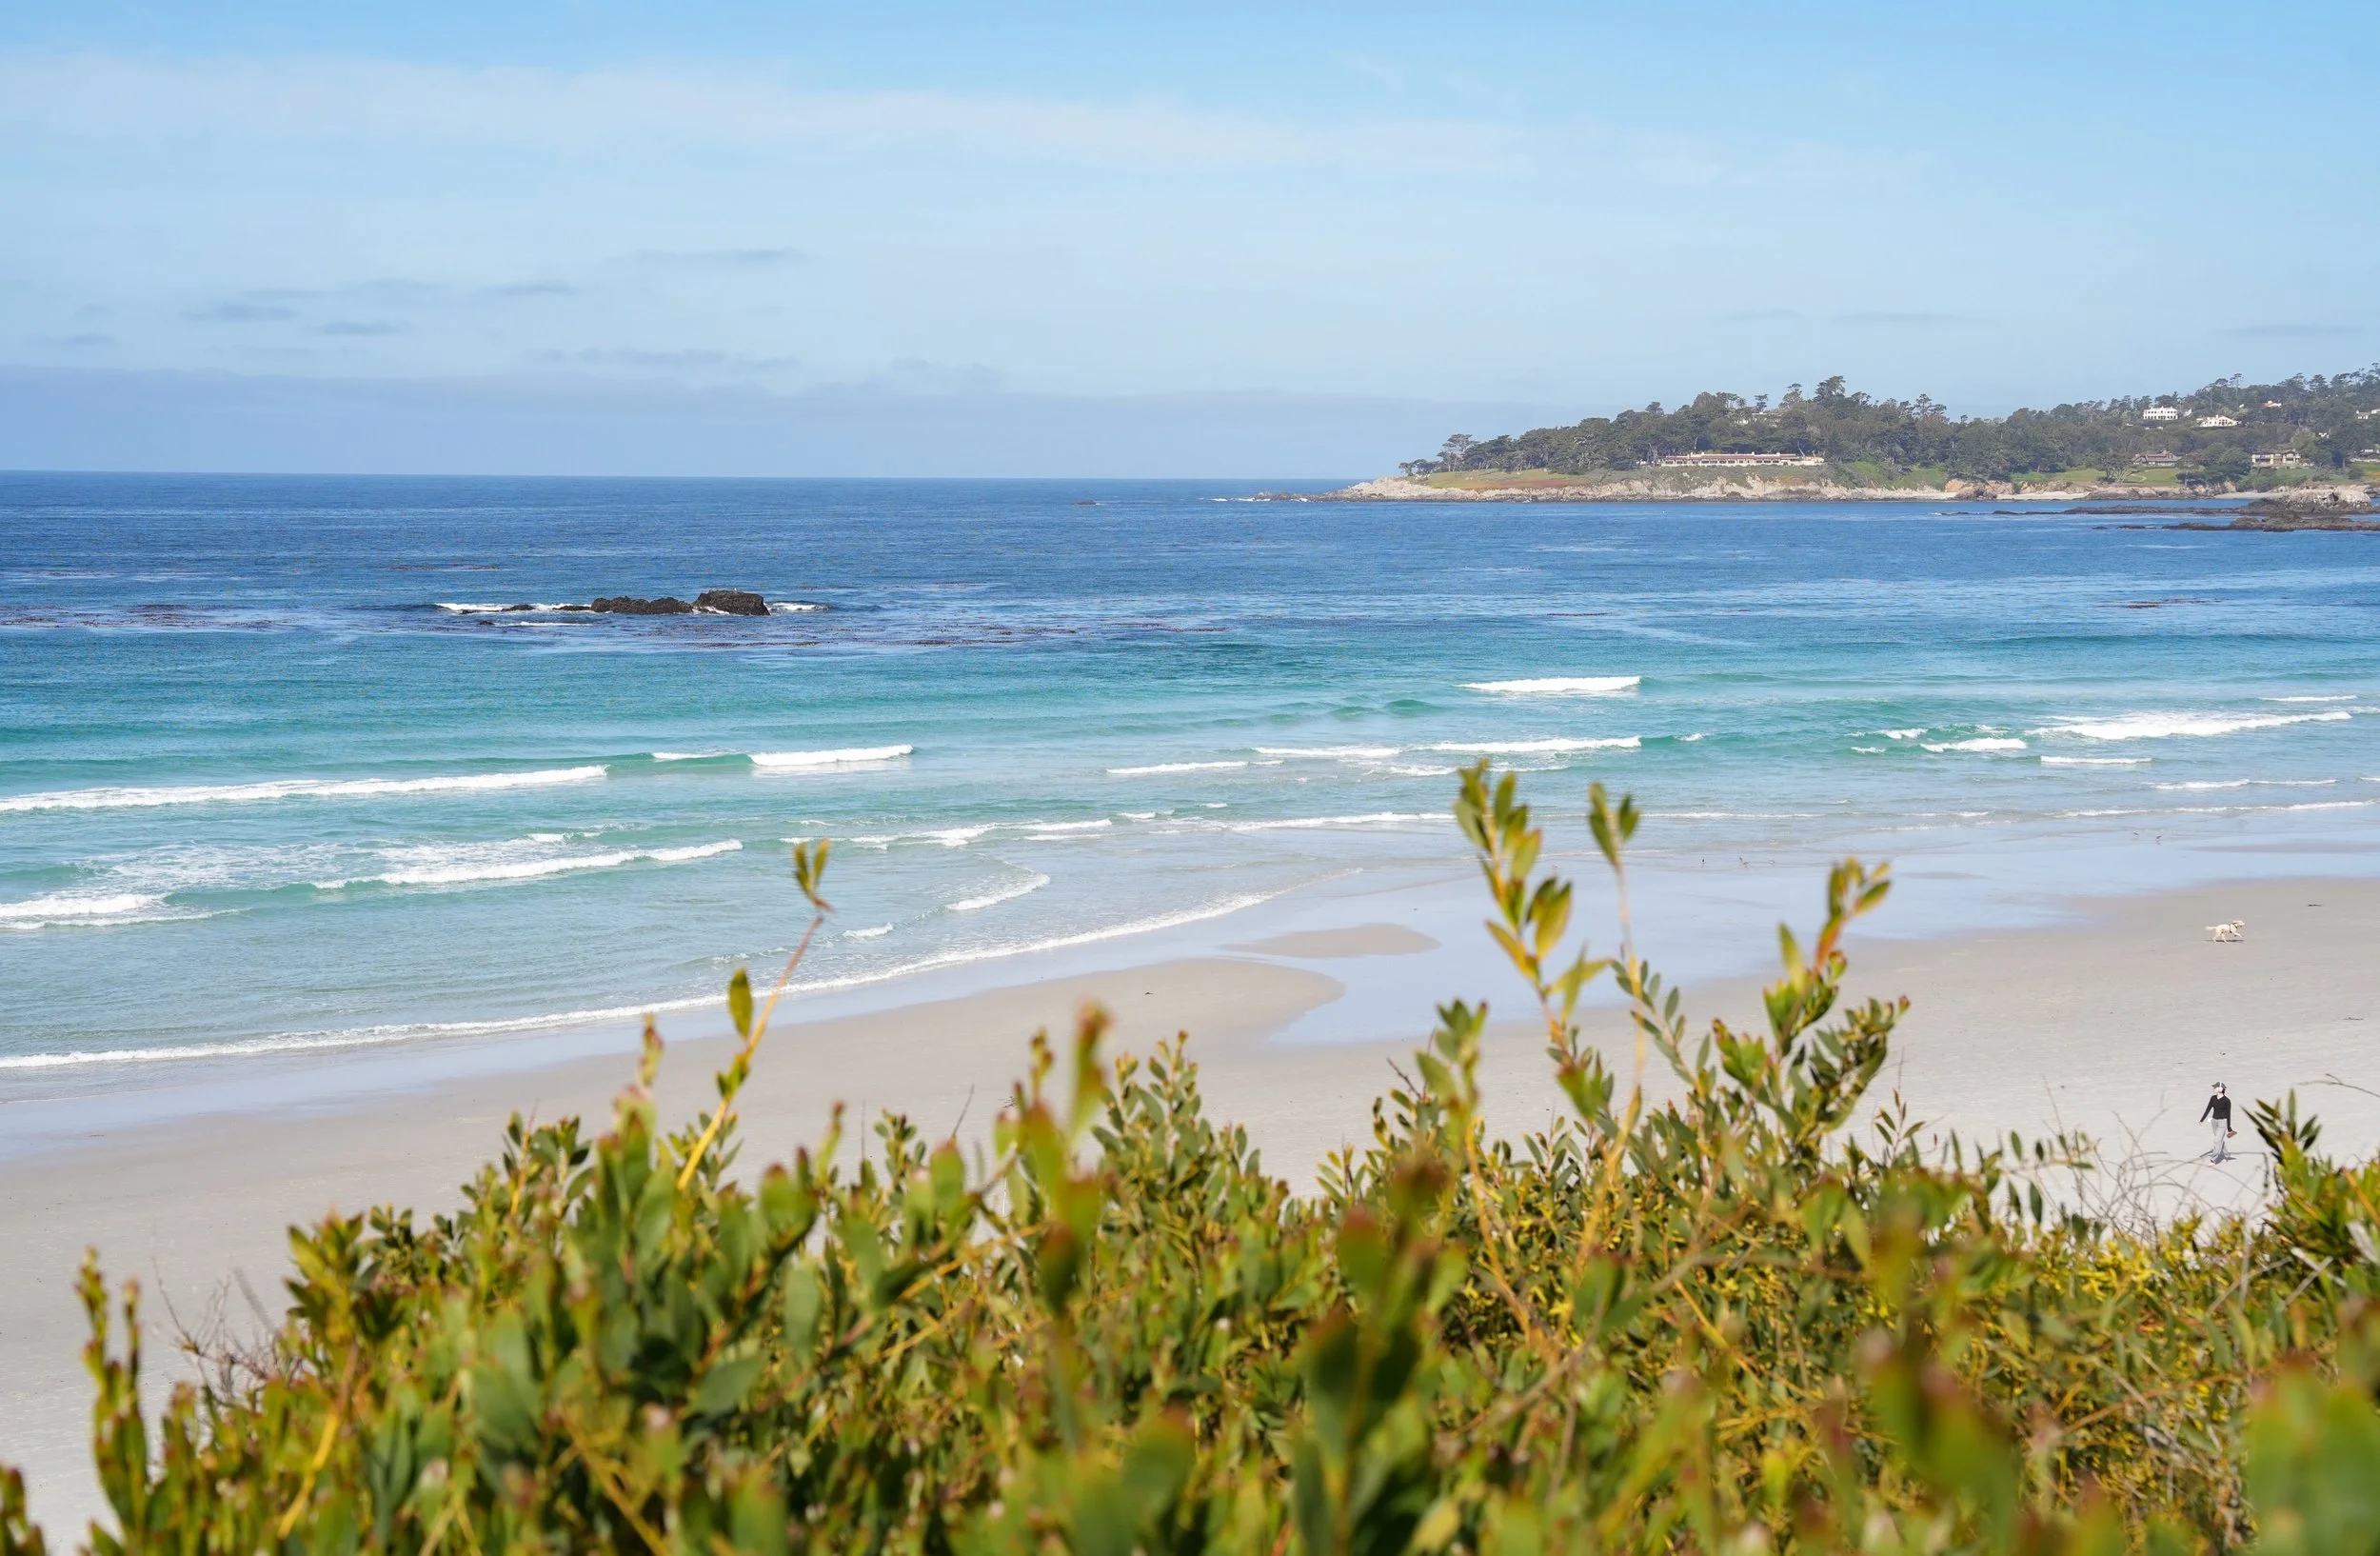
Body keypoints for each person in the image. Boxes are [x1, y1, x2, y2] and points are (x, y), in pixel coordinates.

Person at [2199, 1083, 2233, 1162]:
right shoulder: (2213, 1098)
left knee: (2217, 1140)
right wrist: (2202, 1119)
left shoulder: (2227, 1101)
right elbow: (2208, 1108)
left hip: (2223, 1122)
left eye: (2215, 1087)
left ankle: (2214, 1159)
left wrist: (2229, 1127)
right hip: (2214, 1121)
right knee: (2219, 1139)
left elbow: (2228, 1114)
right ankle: (2227, 1156)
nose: (2214, 1089)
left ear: (2221, 1089)